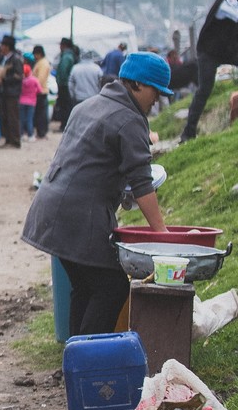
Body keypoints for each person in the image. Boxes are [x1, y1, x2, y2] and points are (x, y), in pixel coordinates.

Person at [22, 53, 172, 335]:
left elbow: (90, 163)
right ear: (137, 84)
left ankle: (75, 354)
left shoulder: (88, 105)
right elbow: (142, 183)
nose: (157, 99)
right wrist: (163, 235)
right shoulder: (129, 119)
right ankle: (86, 356)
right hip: (80, 216)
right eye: (156, 91)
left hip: (51, 207)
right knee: (111, 288)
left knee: (85, 286)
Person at [179, 0, 238, 144]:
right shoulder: (226, 2)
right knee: (204, 90)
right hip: (209, 53)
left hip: (228, 51)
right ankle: (188, 133)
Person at [0, 35, 25, 148]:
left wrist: (4, 79)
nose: (1, 47)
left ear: (7, 47)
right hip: (5, 92)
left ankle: (15, 141)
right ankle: (8, 140)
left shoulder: (15, 59)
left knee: (13, 117)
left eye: (2, 45)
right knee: (6, 116)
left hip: (12, 93)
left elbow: (19, 76)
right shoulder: (6, 59)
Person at [53, 38, 78, 129]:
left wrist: (60, 81)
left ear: (64, 45)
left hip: (64, 85)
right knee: (67, 106)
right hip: (67, 85)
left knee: (65, 106)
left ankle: (64, 125)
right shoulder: (70, 55)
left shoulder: (66, 57)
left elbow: (63, 72)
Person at [30, 45, 51, 139]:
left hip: (40, 91)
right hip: (40, 90)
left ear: (39, 54)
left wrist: (35, 89)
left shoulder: (43, 63)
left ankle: (41, 132)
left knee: (41, 114)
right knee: (41, 113)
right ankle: (41, 131)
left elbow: (40, 79)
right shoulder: (41, 62)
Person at [19, 55, 40, 139]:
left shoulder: (21, 81)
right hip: (31, 102)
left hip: (21, 101)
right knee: (29, 119)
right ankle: (30, 135)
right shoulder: (34, 80)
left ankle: (21, 134)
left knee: (21, 119)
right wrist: (34, 92)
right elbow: (39, 90)